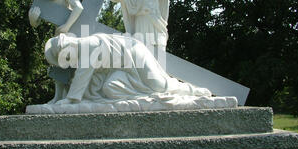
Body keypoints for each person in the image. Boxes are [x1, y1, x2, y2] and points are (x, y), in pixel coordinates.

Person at [44, 33, 211, 105]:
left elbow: (82, 75)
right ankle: (142, 94)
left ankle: (191, 91)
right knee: (110, 88)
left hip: (135, 55)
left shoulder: (87, 46)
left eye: (64, 58)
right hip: (123, 70)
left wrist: (71, 100)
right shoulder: (82, 51)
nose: (68, 61)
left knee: (159, 85)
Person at [28, 0, 84, 104]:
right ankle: (58, 96)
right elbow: (35, 24)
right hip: (59, 36)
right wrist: (32, 19)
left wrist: (66, 26)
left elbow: (79, 8)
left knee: (72, 65)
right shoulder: (44, 1)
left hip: (74, 33)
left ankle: (75, 95)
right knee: (57, 65)